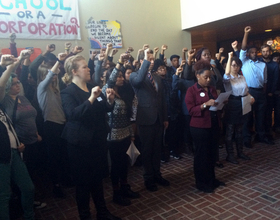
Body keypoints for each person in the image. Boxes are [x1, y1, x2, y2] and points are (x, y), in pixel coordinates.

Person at [60, 55, 121, 220]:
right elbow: (73, 114)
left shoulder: (93, 85)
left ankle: (102, 212)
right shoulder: (67, 92)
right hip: (80, 144)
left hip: (98, 141)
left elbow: (104, 108)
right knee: (83, 183)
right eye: (85, 67)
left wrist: (109, 100)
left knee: (97, 179)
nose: (89, 69)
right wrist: (92, 97)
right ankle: (85, 215)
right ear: (74, 71)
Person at [102, 53, 140, 206]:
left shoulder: (122, 92)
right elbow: (110, 80)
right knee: (116, 165)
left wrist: (131, 134)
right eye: (118, 76)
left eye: (122, 76)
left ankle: (125, 188)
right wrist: (119, 62)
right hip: (113, 136)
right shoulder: (106, 90)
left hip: (125, 133)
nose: (121, 78)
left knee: (124, 164)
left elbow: (127, 116)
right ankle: (116, 193)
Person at [0, 54, 35, 220]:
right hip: (2, 157)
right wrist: (8, 68)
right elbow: (2, 85)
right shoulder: (5, 100)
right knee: (3, 196)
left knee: (28, 188)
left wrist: (17, 142)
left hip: (14, 151)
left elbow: (8, 128)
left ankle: (29, 216)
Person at [130, 48, 169, 192]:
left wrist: (165, 117)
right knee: (147, 150)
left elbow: (162, 99)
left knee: (157, 149)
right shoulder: (134, 75)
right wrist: (145, 61)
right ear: (142, 61)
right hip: (145, 119)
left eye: (152, 60)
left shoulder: (157, 77)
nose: (152, 62)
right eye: (149, 59)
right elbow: (139, 81)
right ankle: (148, 178)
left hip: (158, 119)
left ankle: (157, 175)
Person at [185, 60, 225, 193]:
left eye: (210, 77)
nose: (208, 80)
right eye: (205, 77)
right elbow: (191, 110)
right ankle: (202, 183)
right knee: (202, 155)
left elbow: (216, 104)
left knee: (213, 154)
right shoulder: (191, 90)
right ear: (197, 75)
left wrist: (221, 103)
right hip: (199, 127)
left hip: (213, 124)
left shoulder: (212, 89)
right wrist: (204, 105)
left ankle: (212, 179)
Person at [37, 52, 70, 197]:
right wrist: (58, 60)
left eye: (56, 73)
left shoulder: (55, 89)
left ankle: (64, 180)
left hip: (61, 124)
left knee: (63, 155)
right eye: (52, 74)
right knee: (54, 158)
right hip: (51, 125)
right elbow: (50, 75)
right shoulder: (41, 88)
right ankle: (56, 186)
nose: (55, 75)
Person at [239, 26, 272, 147]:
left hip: (260, 92)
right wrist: (246, 33)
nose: (253, 54)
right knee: (247, 117)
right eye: (251, 52)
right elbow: (242, 48)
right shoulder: (244, 62)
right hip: (249, 92)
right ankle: (246, 139)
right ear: (248, 53)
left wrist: (263, 92)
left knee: (261, 116)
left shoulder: (263, 65)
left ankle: (261, 136)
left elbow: (265, 81)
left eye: (255, 52)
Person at [223, 52, 254, 164]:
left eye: (237, 65)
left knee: (240, 130)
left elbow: (246, 91)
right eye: (233, 65)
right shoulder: (227, 78)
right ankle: (230, 155)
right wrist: (230, 57)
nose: (236, 67)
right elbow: (226, 73)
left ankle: (240, 152)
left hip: (243, 103)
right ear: (229, 65)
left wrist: (251, 97)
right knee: (230, 131)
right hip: (232, 103)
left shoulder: (242, 77)